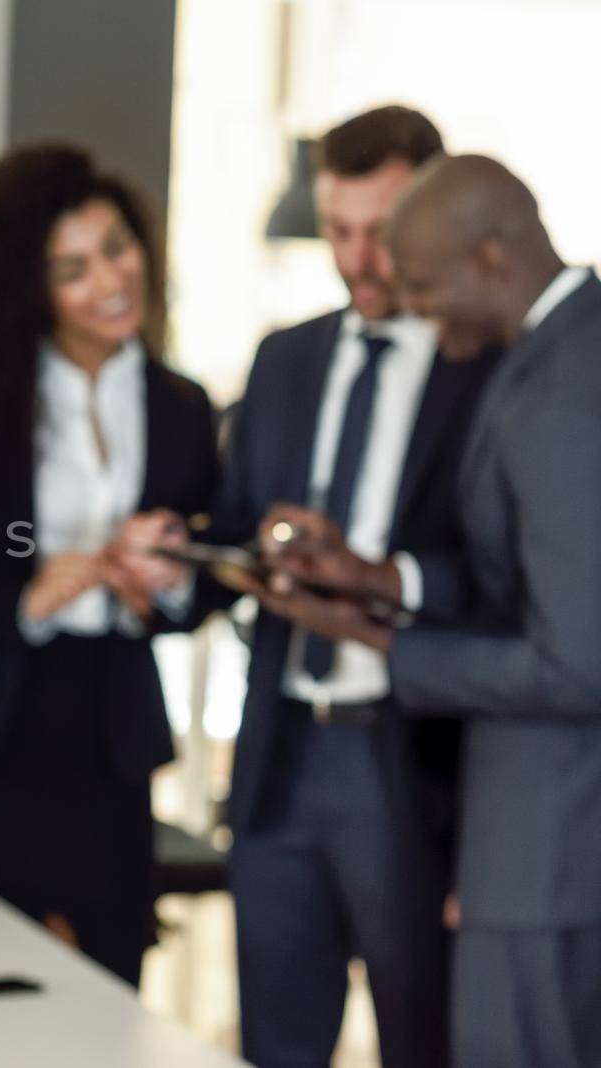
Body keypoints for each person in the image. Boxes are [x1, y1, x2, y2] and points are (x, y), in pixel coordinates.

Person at [120, 106, 490, 1067]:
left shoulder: (489, 368)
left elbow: (508, 578)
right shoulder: (287, 358)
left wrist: (377, 580)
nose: (359, 259)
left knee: (427, 1039)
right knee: (275, 1044)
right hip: (280, 762)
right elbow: (239, 534)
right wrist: (180, 565)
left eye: (383, 232)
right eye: (337, 231)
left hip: (414, 765)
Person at [257, 154, 601, 1068]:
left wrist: (377, 642)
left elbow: (578, 661)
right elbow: (534, 585)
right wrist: (373, 579)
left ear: (491, 258)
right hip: (530, 839)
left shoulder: (570, 385)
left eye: (420, 283)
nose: (408, 304)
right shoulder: (550, 355)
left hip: (553, 848)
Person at [0, 145, 217, 987]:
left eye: (116, 246)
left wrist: (169, 580)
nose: (111, 279)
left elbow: (210, 574)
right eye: (72, 268)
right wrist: (29, 596)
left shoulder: (182, 409)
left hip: (111, 746)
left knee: (107, 1004)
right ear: (27, 289)